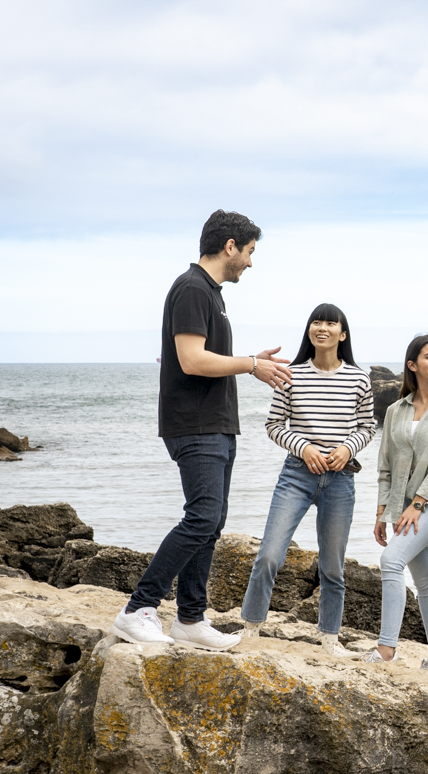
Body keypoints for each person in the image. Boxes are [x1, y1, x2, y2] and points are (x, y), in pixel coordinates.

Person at [112, 210, 292, 650]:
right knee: (202, 517)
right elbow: (191, 360)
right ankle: (138, 608)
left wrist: (250, 361)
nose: (250, 262)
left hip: (215, 425)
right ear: (230, 246)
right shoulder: (192, 288)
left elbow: (204, 358)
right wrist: (251, 364)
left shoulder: (210, 293)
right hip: (195, 425)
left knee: (211, 523)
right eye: (249, 251)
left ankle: (190, 618)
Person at [238, 303, 376, 658]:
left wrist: (347, 448)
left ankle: (330, 640)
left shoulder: (358, 378)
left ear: (342, 334)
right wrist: (304, 447)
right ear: (309, 330)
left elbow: (367, 427)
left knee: (333, 567)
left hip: (341, 479)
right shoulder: (292, 375)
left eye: (330, 323)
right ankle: (250, 628)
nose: (322, 328)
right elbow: (274, 425)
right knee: (269, 555)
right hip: (297, 475)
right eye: (316, 322)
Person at [361, 334, 428, 673]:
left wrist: (418, 503)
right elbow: (385, 465)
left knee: (391, 560)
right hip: (402, 505)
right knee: (425, 581)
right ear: (412, 365)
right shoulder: (396, 410)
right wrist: (382, 511)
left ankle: (386, 650)